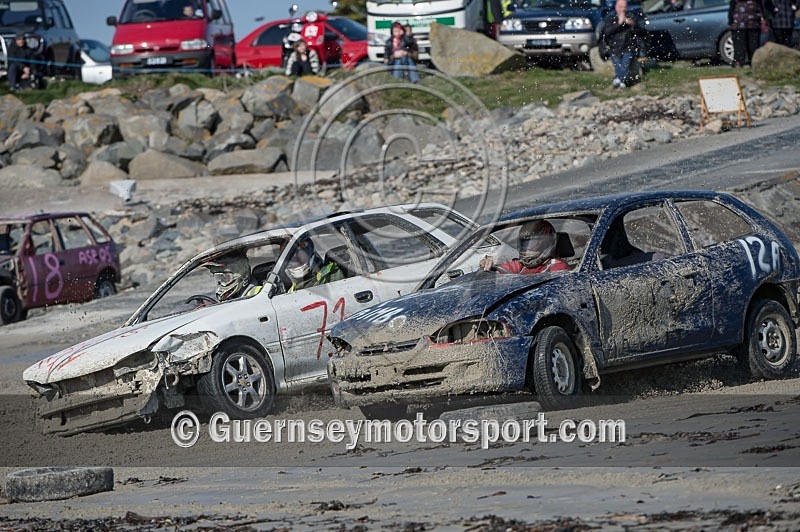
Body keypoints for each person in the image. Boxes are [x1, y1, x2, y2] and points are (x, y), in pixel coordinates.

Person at [479, 220, 570, 275]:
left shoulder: (557, 266)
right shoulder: (521, 265)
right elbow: (503, 269)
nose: (526, 249)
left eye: (531, 243)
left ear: (545, 243)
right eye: (524, 243)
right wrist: (487, 265)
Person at [600, 0, 644, 89]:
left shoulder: (631, 16)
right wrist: (619, 24)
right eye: (621, 7)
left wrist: (632, 25)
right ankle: (621, 82)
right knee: (618, 67)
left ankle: (618, 80)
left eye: (624, 7)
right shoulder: (610, 18)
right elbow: (606, 32)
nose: (623, 9)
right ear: (616, 7)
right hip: (614, 48)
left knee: (625, 66)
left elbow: (640, 31)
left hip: (628, 47)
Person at [728, 0, 764, 66]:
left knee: (747, 45)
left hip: (747, 22)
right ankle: (746, 62)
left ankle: (742, 62)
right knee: (746, 45)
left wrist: (730, 21)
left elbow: (732, 6)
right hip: (749, 22)